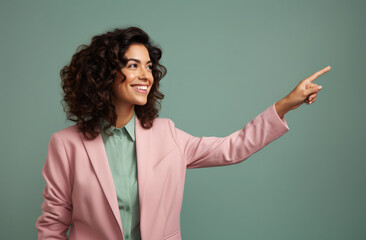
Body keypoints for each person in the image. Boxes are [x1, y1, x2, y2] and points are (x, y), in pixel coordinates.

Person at [35, 26, 331, 240]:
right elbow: (52, 226)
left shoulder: (169, 135)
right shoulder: (66, 145)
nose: (145, 75)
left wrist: (284, 105)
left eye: (148, 67)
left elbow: (234, 147)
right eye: (133, 65)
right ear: (104, 74)